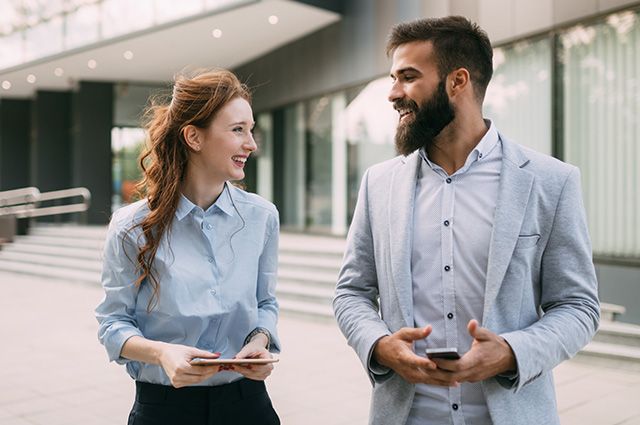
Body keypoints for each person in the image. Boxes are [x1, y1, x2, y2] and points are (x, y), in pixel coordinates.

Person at [333, 16, 599, 425]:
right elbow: (351, 292)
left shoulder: (551, 181)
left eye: (408, 77)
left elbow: (578, 306)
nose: (392, 93)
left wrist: (512, 352)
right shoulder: (378, 184)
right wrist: (379, 345)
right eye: (393, 77)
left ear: (457, 81)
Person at [95, 69, 281, 425]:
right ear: (194, 137)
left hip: (249, 405)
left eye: (251, 129)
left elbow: (264, 302)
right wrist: (162, 353)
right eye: (238, 129)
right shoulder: (130, 226)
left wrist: (261, 339)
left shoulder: (262, 217)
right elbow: (113, 322)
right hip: (164, 408)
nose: (252, 144)